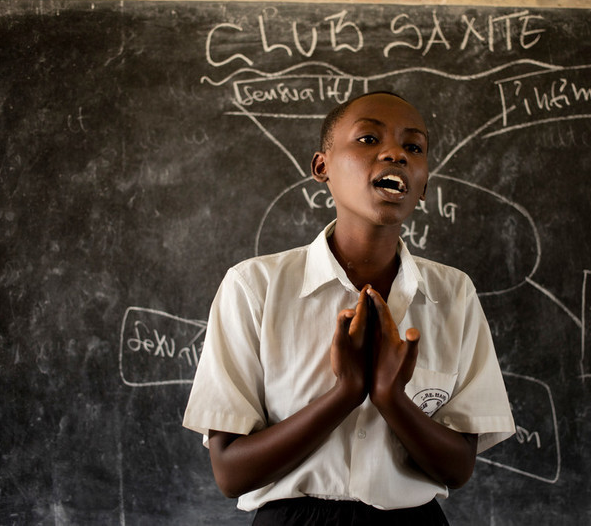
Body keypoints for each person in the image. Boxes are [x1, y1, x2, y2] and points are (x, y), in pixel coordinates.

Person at [183, 91, 515, 524]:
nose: (395, 153)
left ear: (424, 183)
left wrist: (390, 397)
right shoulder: (254, 287)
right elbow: (230, 473)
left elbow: (458, 468)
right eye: (368, 140)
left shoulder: (453, 294)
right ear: (322, 167)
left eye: (413, 148)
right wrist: (345, 393)